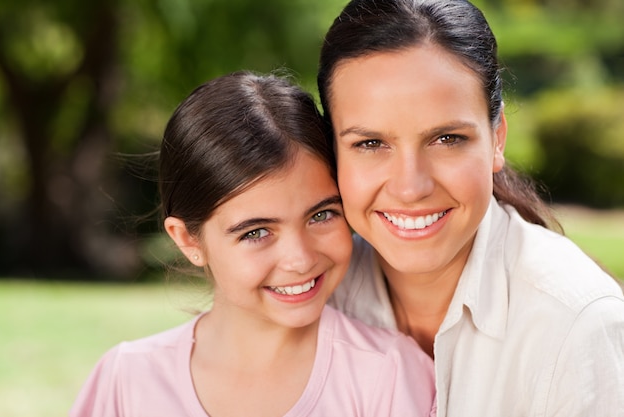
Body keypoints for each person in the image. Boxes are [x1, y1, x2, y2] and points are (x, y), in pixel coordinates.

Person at [317, 0, 624, 416]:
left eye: (446, 139)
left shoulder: (576, 324)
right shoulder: (314, 297)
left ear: (497, 139)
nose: (410, 188)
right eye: (370, 144)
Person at [69, 71, 436, 417]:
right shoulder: (127, 381)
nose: (299, 259)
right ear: (187, 240)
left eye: (321, 215)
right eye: (256, 232)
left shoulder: (387, 374)